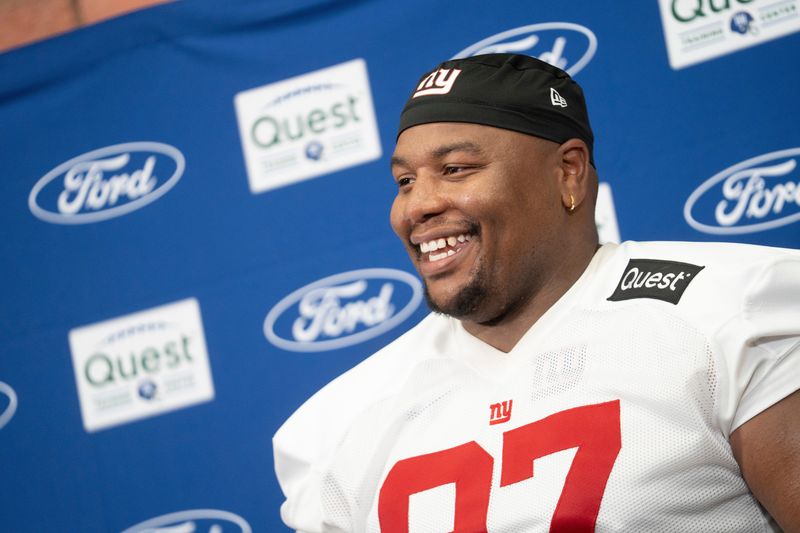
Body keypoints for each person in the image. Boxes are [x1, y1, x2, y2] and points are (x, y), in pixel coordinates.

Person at [273, 53, 800, 532]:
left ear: (568, 172)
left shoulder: (731, 307)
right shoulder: (338, 424)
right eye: (405, 181)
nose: (416, 208)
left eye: (455, 169)